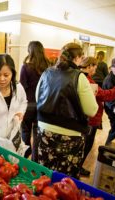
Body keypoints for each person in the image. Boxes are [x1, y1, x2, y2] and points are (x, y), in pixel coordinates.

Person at [35, 43, 98, 178]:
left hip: (44, 131)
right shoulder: (79, 77)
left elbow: (37, 96)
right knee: (65, 179)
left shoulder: (47, 72)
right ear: (78, 58)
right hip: (69, 134)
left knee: (44, 175)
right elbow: (92, 110)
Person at [79, 56, 115, 176]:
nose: (95, 70)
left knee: (86, 144)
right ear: (89, 66)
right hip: (90, 119)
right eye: (95, 67)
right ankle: (79, 166)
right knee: (86, 144)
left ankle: (79, 166)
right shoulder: (92, 80)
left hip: (91, 118)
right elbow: (104, 96)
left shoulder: (86, 78)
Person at [20, 41, 50, 159]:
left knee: (25, 131)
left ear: (29, 51)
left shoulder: (26, 67)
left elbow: (22, 87)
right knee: (38, 133)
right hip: (43, 105)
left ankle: (24, 155)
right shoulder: (49, 68)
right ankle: (35, 157)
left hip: (29, 104)